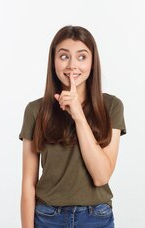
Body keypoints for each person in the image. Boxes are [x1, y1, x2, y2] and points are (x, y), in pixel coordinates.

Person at [19, 25, 126, 228]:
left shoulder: (111, 107)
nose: (72, 65)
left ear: (92, 62)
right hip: (48, 217)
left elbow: (101, 176)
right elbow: (28, 184)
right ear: (53, 61)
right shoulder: (35, 110)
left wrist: (78, 115)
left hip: (96, 217)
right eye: (64, 56)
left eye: (82, 57)